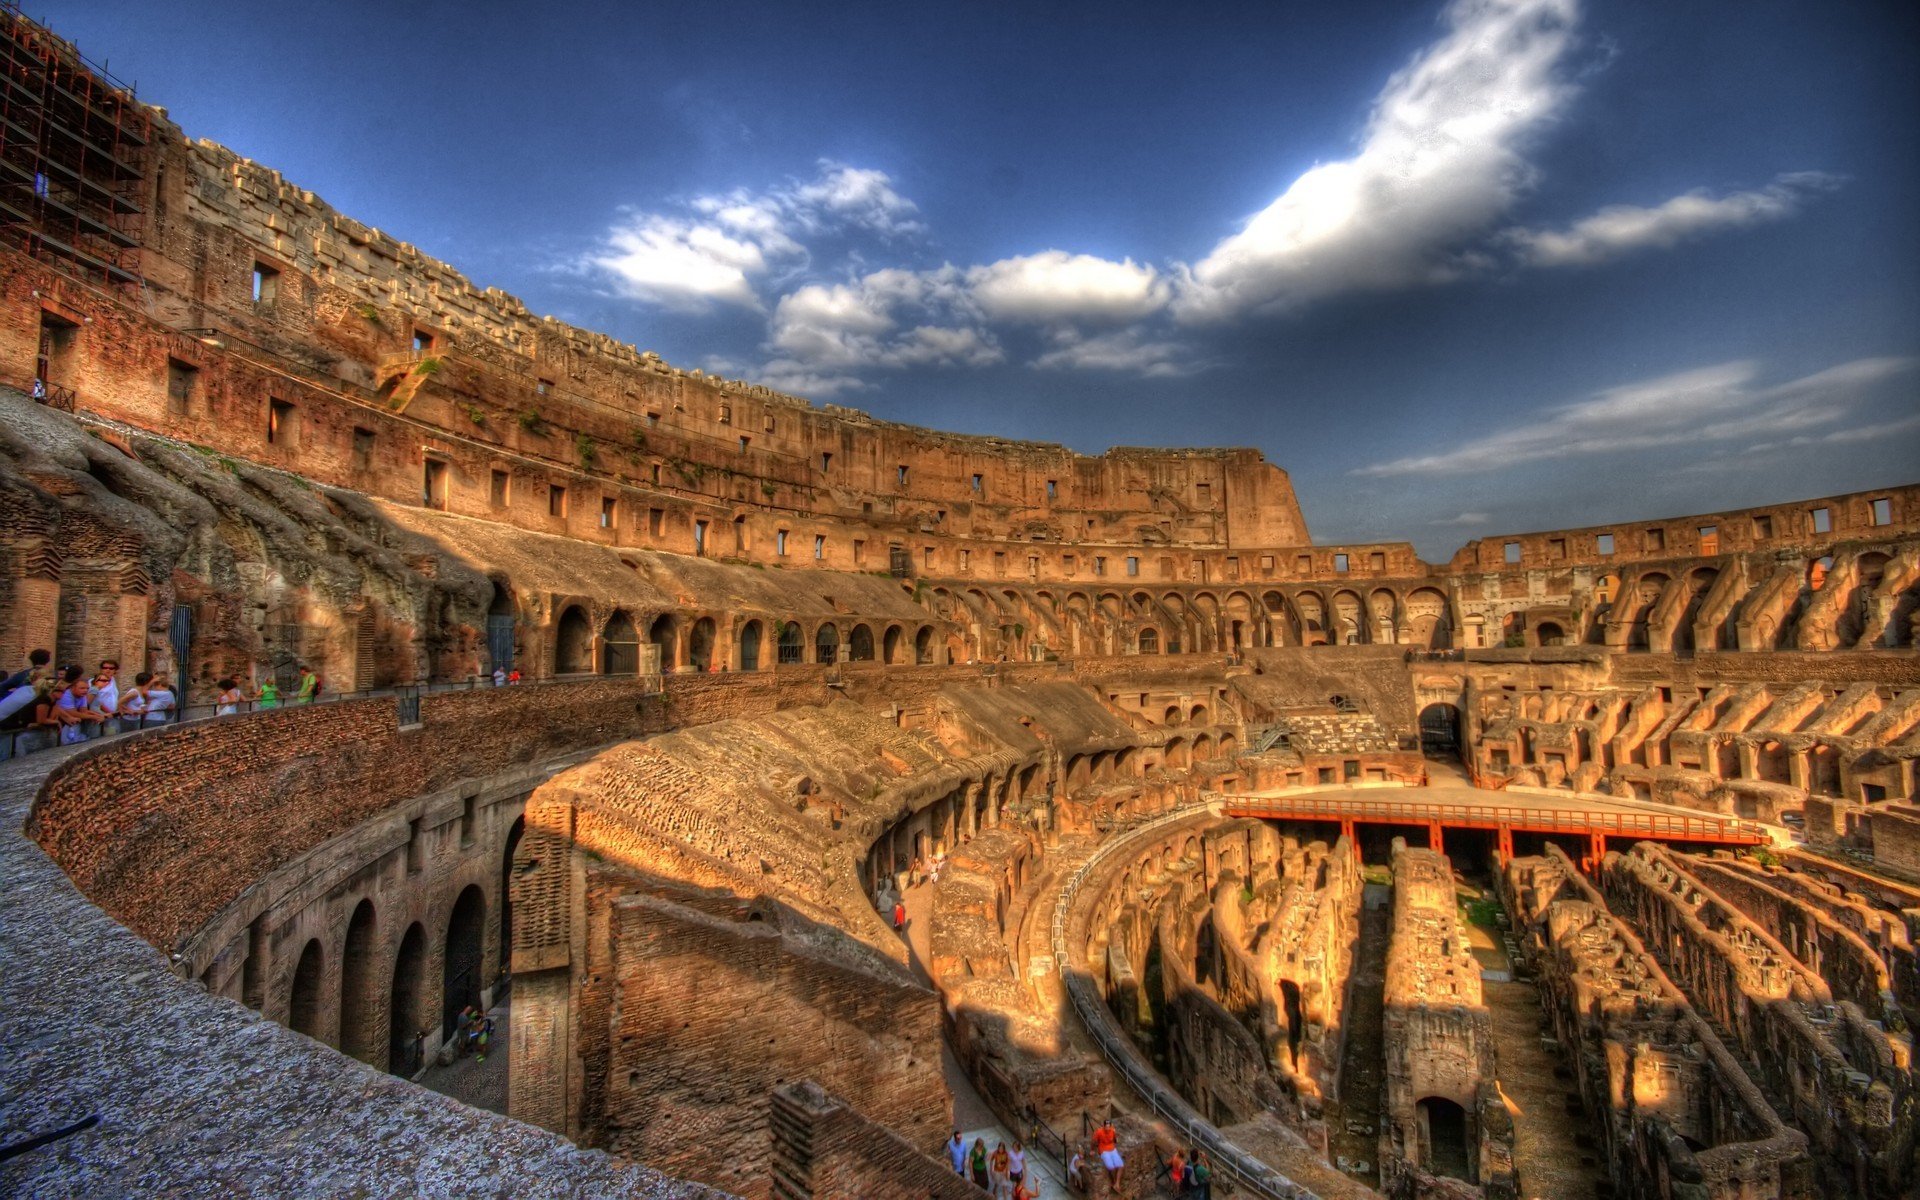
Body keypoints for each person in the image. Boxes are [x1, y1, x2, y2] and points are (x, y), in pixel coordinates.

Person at [52, 671, 103, 745]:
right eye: (82, 688)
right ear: (73, 688)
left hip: (73, 722)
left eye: (87, 688)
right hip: (63, 721)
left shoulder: (82, 695)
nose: (85, 690)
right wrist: (94, 717)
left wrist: (98, 716)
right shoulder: (66, 695)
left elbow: (84, 711)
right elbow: (73, 713)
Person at [1093, 1117, 1123, 1191]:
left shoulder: (1112, 1130)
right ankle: (1113, 1182)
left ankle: (1117, 1183)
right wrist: (1092, 1150)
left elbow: (1115, 1140)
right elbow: (1093, 1141)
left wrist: (1116, 1136)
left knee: (1121, 1165)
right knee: (1110, 1167)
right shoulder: (1099, 1132)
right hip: (1103, 1150)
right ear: (1103, 1126)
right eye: (1106, 1127)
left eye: (1109, 1126)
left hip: (1112, 1149)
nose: (1108, 1128)